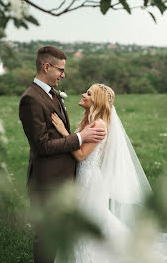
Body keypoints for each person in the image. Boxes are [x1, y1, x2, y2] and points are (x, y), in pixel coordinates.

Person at [52, 83, 166, 263]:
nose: (83, 94)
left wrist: (63, 131)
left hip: (89, 182)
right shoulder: (90, 121)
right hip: (83, 178)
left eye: (88, 93)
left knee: (89, 223)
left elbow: (81, 155)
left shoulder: (99, 125)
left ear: (96, 101)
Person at [19, 46, 106, 263]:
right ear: (46, 67)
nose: (63, 75)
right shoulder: (31, 99)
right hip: (48, 180)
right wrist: (79, 137)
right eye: (60, 70)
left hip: (64, 179)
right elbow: (42, 146)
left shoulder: (53, 94)